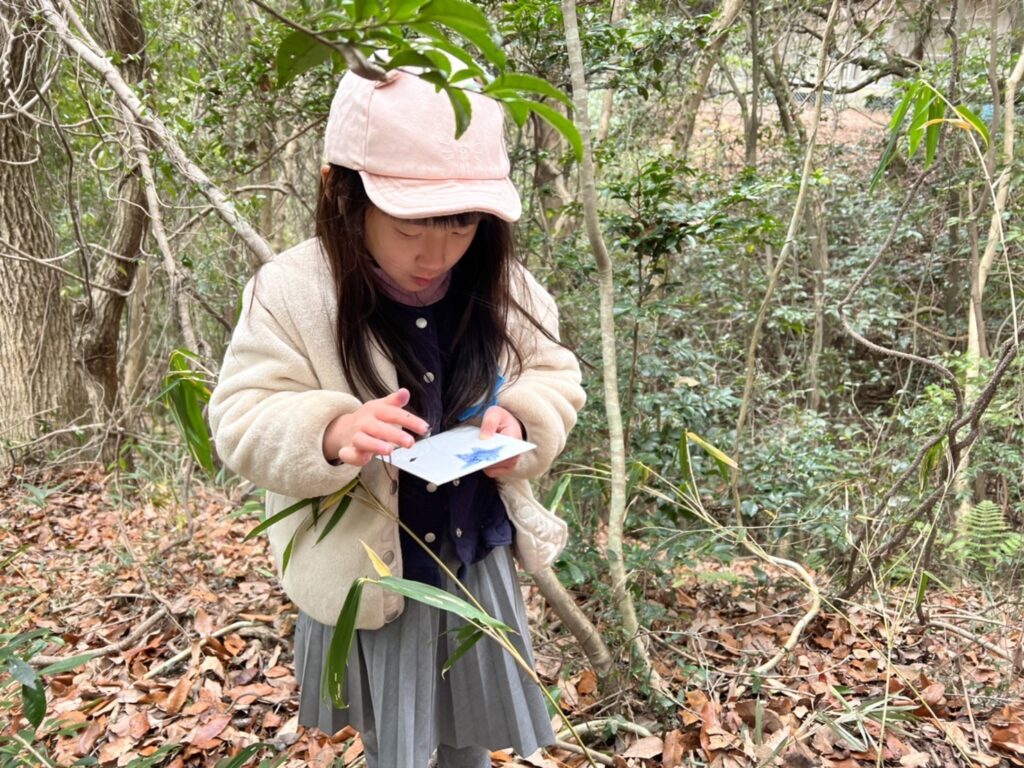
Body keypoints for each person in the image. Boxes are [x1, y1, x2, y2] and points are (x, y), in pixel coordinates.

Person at [208, 66, 585, 768]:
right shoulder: (291, 292)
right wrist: (329, 432)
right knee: (394, 741)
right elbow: (239, 415)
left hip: (472, 561)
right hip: (373, 571)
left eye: (462, 223)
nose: (436, 254)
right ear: (343, 193)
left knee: (471, 735)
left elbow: (555, 374)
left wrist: (522, 422)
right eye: (411, 223)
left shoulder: (506, 286)